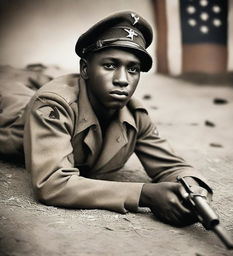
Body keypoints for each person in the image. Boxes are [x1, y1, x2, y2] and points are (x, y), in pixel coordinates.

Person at [0, 11, 212, 226]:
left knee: (40, 78)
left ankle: (40, 73)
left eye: (133, 69)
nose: (122, 80)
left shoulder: (135, 113)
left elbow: (171, 166)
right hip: (11, 112)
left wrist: (192, 188)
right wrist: (144, 194)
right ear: (85, 68)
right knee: (9, 82)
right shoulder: (52, 104)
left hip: (68, 89)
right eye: (110, 66)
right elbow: (52, 183)